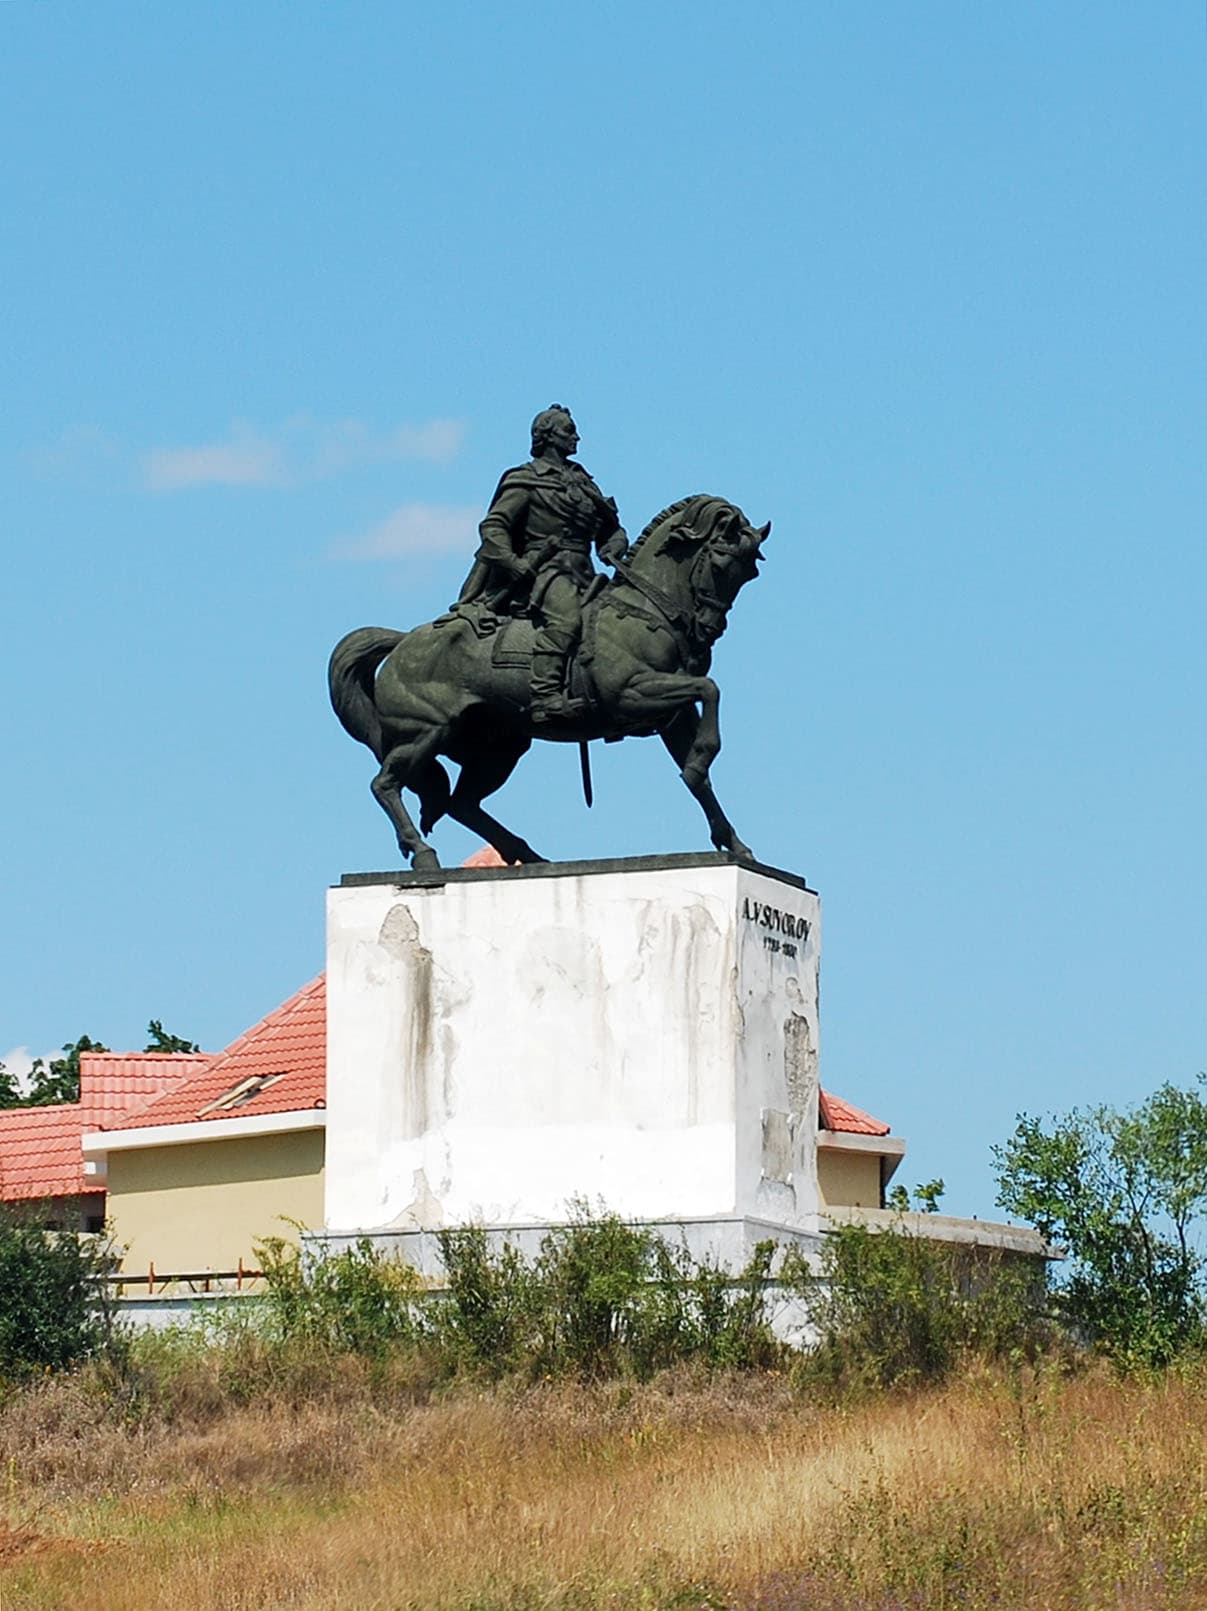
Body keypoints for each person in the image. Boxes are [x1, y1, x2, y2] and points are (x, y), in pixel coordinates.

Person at [456, 405, 628, 722]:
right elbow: (493, 527)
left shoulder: (584, 481)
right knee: (567, 621)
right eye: (569, 431)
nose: (576, 437)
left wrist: (613, 545)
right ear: (547, 436)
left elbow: (611, 527)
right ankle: (545, 695)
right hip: (546, 572)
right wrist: (511, 562)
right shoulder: (526, 480)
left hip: (587, 573)